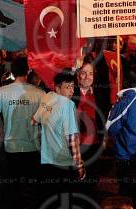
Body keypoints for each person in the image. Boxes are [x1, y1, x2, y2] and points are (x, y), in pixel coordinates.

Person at [0, 56, 44, 209]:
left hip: (10, 147)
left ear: (12, 71)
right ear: (29, 70)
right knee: (30, 189)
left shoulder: (1, 92)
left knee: (11, 189)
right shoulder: (39, 93)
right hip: (33, 147)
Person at [106, 64, 136, 209]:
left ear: (125, 80)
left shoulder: (126, 101)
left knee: (126, 196)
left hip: (126, 156)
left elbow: (110, 128)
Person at [32, 70, 84, 204]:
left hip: (46, 158)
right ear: (57, 88)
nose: (72, 91)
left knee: (51, 198)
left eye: (73, 86)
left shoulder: (47, 97)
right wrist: (79, 165)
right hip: (63, 161)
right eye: (67, 87)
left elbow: (34, 120)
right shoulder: (67, 105)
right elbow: (71, 138)